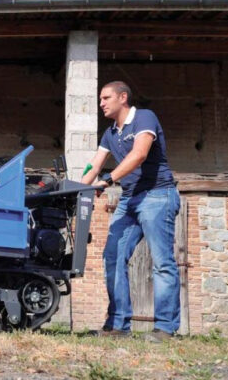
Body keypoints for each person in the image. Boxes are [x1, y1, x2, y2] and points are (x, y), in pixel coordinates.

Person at [81, 81, 181, 342]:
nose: (101, 103)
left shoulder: (144, 118)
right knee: (112, 257)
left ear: (122, 97)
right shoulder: (110, 134)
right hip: (130, 198)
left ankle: (165, 329)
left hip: (157, 195)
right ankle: (117, 326)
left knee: (162, 263)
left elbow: (139, 155)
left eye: (106, 98)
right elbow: (93, 165)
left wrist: (108, 180)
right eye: (100, 99)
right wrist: (77, 188)